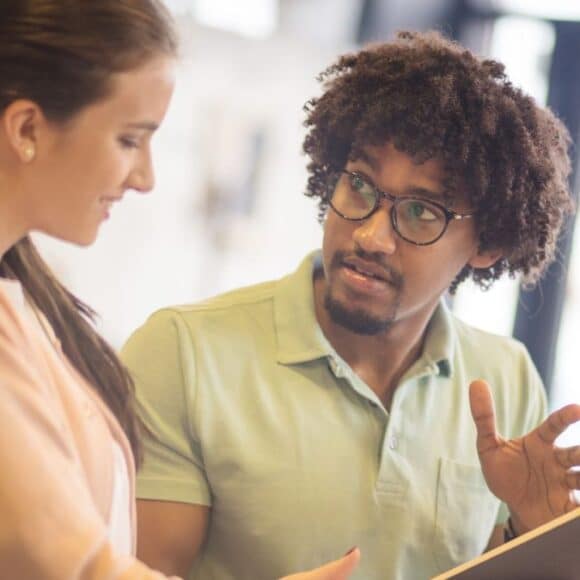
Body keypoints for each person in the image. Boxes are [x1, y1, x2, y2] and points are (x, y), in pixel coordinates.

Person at [121, 30, 580, 580]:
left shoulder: (506, 379)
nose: (370, 236)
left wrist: (532, 531)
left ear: (486, 246)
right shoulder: (183, 353)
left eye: (420, 213)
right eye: (360, 185)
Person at [0, 1, 360, 579]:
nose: (144, 178)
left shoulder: (29, 298)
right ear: (26, 128)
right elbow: (67, 563)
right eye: (128, 139)